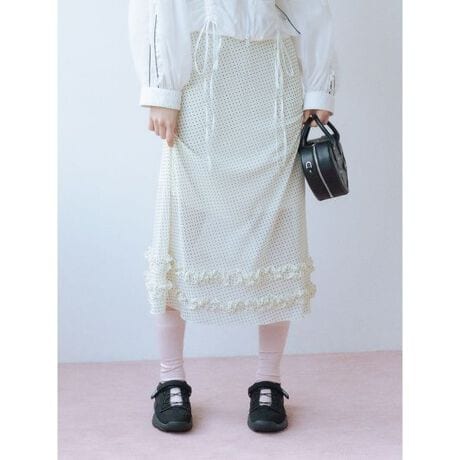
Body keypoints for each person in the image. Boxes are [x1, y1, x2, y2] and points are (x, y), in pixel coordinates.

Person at [128, 0, 336, 433]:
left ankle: (269, 381)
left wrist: (319, 87)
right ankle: (170, 379)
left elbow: (309, 5)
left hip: (274, 77)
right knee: (179, 230)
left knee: (276, 228)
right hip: (200, 74)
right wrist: (160, 88)